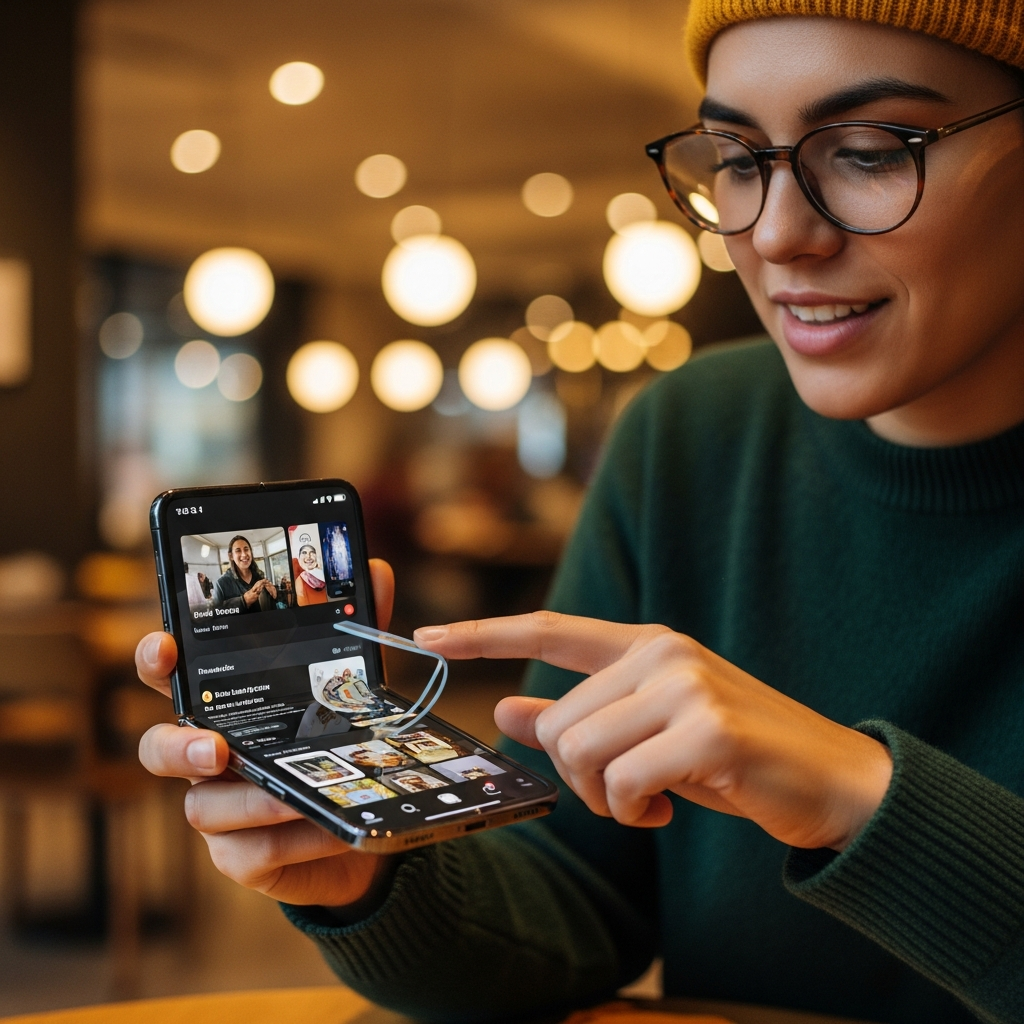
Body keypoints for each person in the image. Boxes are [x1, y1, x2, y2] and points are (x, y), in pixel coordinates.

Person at [134, 3, 1024, 1022]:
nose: (776, 233)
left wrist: (857, 795)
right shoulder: (689, 435)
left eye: (868, 153)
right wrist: (373, 878)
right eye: (736, 158)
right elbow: (576, 893)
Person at [211, 535, 277, 613]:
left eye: (246, 549)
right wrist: (243, 601)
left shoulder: (259, 577)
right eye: (238, 550)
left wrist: (274, 595)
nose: (244, 554)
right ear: (231, 556)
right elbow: (215, 613)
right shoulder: (221, 584)